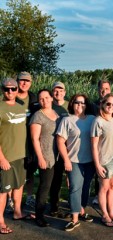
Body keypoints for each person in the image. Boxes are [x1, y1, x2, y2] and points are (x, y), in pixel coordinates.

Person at [56, 94, 96, 231]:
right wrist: (66, 159)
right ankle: (74, 218)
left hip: (90, 161)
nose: (80, 105)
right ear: (72, 104)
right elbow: (60, 141)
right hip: (74, 161)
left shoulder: (92, 119)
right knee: (75, 187)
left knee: (86, 188)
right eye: (77, 102)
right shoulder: (67, 120)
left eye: (83, 103)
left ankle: (82, 210)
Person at [0, 78, 33, 235]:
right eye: (7, 89)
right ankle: (0, 220)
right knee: (2, 190)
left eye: (13, 89)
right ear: (2, 90)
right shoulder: (0, 107)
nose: (10, 92)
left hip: (21, 155)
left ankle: (17, 212)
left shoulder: (21, 106)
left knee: (19, 185)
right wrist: (1, 158)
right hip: (6, 156)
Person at [91, 93, 113, 227]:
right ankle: (104, 214)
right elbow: (93, 144)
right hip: (105, 159)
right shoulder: (98, 121)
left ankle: (111, 212)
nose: (110, 106)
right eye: (108, 103)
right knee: (104, 188)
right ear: (102, 104)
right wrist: (97, 165)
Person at [30, 89, 61, 227]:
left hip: (58, 156)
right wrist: (40, 158)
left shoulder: (57, 114)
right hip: (46, 156)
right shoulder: (38, 116)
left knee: (56, 185)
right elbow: (35, 139)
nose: (44, 100)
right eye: (41, 98)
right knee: (45, 186)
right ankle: (39, 215)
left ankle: (54, 208)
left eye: (47, 97)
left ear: (51, 98)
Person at [16, 71, 39, 209]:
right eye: (21, 80)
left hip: (30, 142)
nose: (24, 83)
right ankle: (11, 201)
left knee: (29, 172)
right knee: (14, 174)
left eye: (27, 81)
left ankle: (29, 197)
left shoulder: (34, 99)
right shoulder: (10, 97)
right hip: (14, 141)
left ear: (30, 83)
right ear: (17, 81)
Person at [49, 81, 70, 218]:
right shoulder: (48, 106)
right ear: (52, 92)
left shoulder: (70, 106)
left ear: (65, 92)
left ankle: (74, 205)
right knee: (55, 180)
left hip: (70, 148)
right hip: (53, 148)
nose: (58, 92)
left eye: (61, 90)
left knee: (71, 179)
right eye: (56, 90)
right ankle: (54, 206)